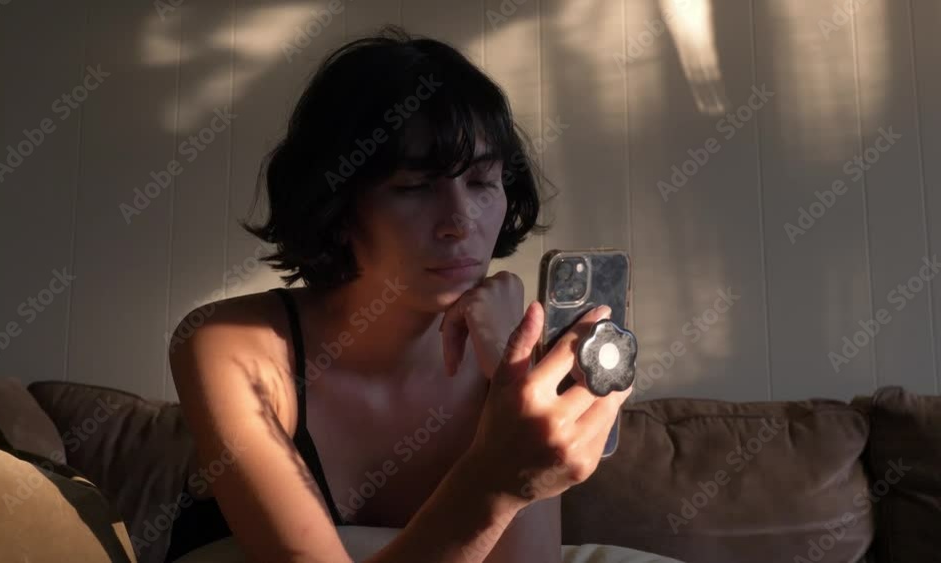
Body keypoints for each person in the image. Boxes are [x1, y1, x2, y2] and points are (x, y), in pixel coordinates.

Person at [164, 24, 633, 563]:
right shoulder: (229, 343)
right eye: (412, 188)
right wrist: (500, 481)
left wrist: (510, 371)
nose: (460, 221)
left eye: (482, 183)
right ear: (338, 208)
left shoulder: (508, 353)